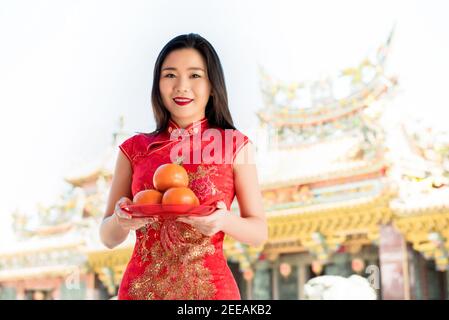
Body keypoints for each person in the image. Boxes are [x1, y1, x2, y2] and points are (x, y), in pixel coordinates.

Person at [99, 33, 267, 300]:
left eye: (195, 75)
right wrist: (121, 220)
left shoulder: (235, 145)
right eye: (170, 75)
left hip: (210, 291)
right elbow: (108, 237)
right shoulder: (134, 149)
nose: (181, 86)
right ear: (158, 85)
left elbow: (259, 231)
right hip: (141, 291)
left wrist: (223, 220)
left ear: (213, 85)